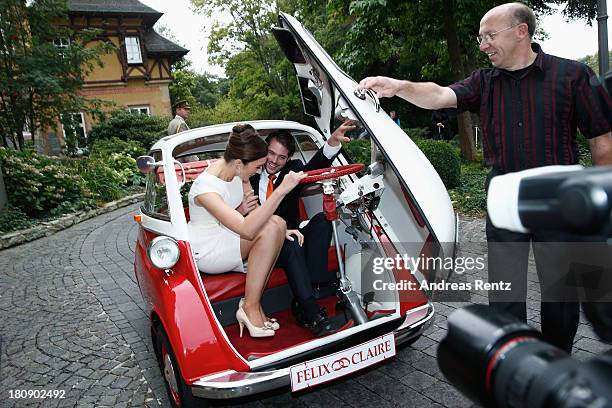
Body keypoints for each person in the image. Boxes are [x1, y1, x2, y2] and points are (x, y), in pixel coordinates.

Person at [359, 2, 612, 353]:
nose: (483, 45)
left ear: (521, 31)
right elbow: (439, 95)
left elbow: (602, 140)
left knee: (561, 294)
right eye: (480, 38)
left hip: (560, 196)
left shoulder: (573, 75)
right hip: (504, 194)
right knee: (505, 292)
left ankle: (557, 360)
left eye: (490, 36)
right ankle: (516, 361)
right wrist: (399, 86)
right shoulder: (483, 82)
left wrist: (600, 209)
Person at [188, 123, 306, 338]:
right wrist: (281, 190)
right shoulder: (204, 188)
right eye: (257, 166)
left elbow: (256, 211)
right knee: (271, 229)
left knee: (277, 224)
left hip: (229, 235)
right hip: (208, 249)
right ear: (241, 164)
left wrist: (282, 230)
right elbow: (248, 229)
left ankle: (253, 304)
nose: (258, 170)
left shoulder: (237, 171)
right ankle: (250, 307)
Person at [244, 121, 355, 336]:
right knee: (290, 242)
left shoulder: (292, 172)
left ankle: (305, 296)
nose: (274, 161)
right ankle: (311, 311)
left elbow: (313, 168)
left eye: (281, 157)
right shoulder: (250, 175)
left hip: (293, 236)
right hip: (264, 245)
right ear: (264, 151)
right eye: (271, 153)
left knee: (323, 221)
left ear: (288, 159)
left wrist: (332, 142)